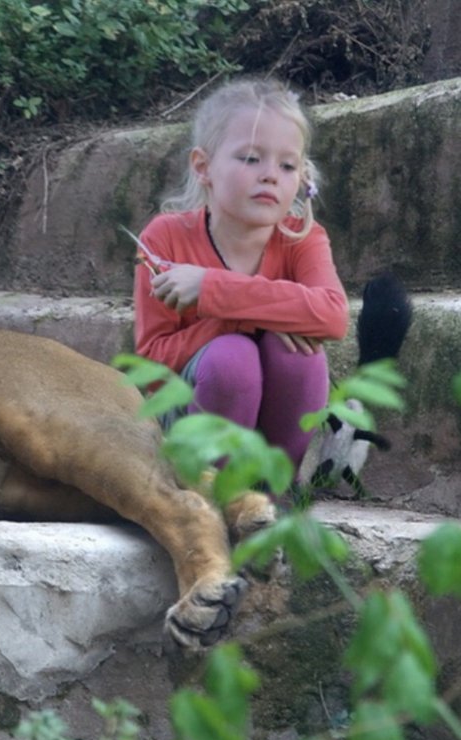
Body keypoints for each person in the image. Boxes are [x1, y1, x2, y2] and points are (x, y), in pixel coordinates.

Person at [132, 77, 349, 468]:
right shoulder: (164, 238)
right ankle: (211, 496)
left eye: (287, 165)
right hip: (187, 422)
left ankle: (275, 497)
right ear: (203, 166)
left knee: (297, 354)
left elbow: (333, 315)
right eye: (251, 158)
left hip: (271, 439)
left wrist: (212, 289)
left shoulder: (303, 237)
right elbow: (151, 367)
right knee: (232, 359)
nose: (270, 175)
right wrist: (248, 321)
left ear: (301, 177)